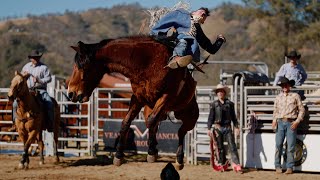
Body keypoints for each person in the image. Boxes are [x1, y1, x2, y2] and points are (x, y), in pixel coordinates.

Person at [150, 7, 226, 69]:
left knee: (186, 43)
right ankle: (176, 58)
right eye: (202, 14)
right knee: (183, 40)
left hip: (189, 52)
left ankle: (182, 62)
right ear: (197, 12)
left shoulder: (198, 29)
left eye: (203, 19)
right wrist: (157, 35)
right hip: (177, 42)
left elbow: (210, 48)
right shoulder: (181, 14)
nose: (202, 20)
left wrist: (220, 40)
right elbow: (166, 21)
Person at [10, 50, 54, 132]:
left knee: (49, 103)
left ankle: (50, 124)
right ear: (30, 58)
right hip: (28, 91)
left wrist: (39, 80)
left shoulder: (44, 67)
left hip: (41, 90)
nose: (35, 59)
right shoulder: (26, 67)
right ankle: (14, 124)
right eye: (33, 58)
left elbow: (49, 78)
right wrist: (24, 76)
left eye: (37, 57)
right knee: (15, 104)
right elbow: (21, 79)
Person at [272, 77, 305, 174]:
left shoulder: (295, 96)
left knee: (290, 146)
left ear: (289, 86)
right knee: (278, 145)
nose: (285, 86)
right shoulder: (278, 97)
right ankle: (277, 166)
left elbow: (302, 110)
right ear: (281, 87)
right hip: (280, 122)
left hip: (291, 122)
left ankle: (289, 167)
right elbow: (275, 110)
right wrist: (274, 120)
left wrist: (297, 121)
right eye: (283, 85)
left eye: (286, 84)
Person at [207, 84, 242, 172]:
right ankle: (222, 163)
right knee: (219, 147)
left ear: (224, 93)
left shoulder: (230, 104)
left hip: (227, 127)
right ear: (217, 93)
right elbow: (211, 117)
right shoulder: (213, 105)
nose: (220, 93)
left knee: (232, 146)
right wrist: (209, 128)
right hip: (217, 128)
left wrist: (236, 126)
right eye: (218, 91)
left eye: (221, 91)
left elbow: (233, 117)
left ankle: (236, 164)